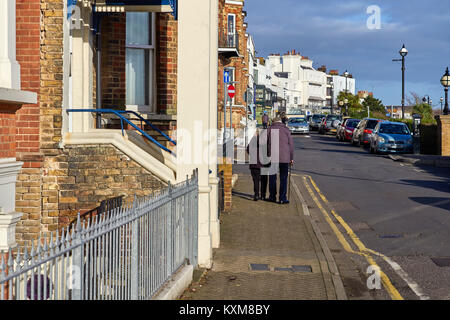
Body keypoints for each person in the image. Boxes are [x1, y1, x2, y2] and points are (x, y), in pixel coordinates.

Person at [267, 113, 294, 204]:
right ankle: (282, 198)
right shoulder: (286, 130)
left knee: (272, 178)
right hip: (285, 157)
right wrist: (291, 158)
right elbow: (291, 145)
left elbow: (265, 144)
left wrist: (268, 154)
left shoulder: (270, 129)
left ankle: (272, 197)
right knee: (283, 178)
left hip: (273, 157)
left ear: (273, 122)